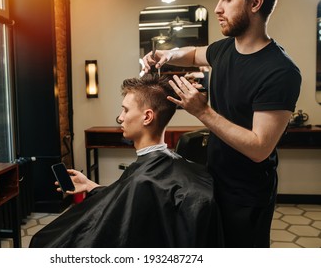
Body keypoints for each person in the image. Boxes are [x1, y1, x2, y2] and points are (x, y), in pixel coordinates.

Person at [142, 0, 301, 248]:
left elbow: (260, 147)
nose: (217, 8)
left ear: (256, 3)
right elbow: (194, 53)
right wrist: (168, 55)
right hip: (213, 180)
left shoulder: (280, 71)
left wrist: (203, 112)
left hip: (247, 196)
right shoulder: (224, 50)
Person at [29, 74, 223, 248]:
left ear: (147, 117)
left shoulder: (143, 178)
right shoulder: (172, 167)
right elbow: (131, 198)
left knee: (43, 241)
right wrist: (90, 186)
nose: (120, 118)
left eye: (125, 110)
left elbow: (129, 205)